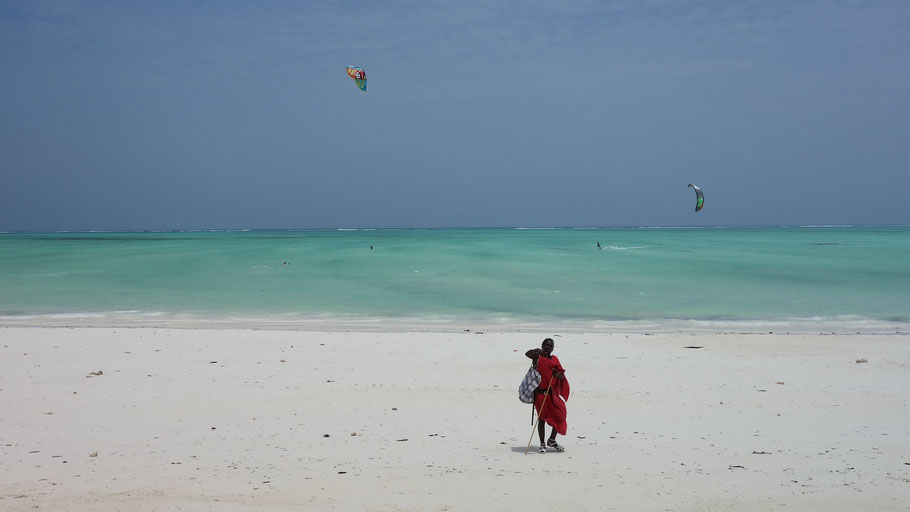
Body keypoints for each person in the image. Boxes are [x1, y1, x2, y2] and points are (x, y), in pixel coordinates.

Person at [525, 337, 570, 453]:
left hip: (551, 394)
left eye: (550, 346)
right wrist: (537, 351)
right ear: (543, 345)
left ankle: (552, 440)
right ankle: (542, 444)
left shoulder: (555, 359)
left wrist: (556, 374)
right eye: (546, 345)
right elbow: (527, 354)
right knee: (542, 419)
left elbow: (561, 375)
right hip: (540, 394)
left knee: (560, 415)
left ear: (553, 348)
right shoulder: (538, 358)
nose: (548, 347)